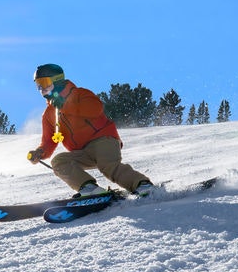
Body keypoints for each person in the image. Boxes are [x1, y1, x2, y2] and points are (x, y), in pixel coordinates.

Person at [27, 63, 154, 198]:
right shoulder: (48, 114)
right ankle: (89, 188)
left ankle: (142, 185)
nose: (42, 89)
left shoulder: (80, 94)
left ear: (57, 80)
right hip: (82, 152)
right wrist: (40, 153)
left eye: (45, 82)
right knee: (59, 161)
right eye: (38, 85)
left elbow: (95, 109)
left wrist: (65, 105)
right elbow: (49, 141)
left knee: (108, 166)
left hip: (103, 140)